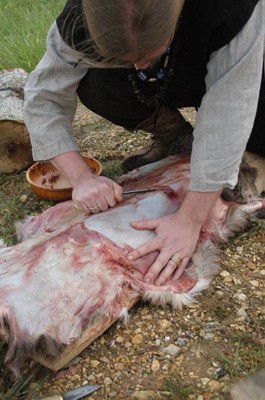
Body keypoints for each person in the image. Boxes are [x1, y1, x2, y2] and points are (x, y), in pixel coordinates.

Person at [24, 0, 265, 286]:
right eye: (129, 58)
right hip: (167, 71)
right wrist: (81, 177)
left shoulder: (231, 10)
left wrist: (189, 220)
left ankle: (251, 164)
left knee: (256, 135)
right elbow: (44, 97)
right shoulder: (81, 17)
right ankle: (176, 137)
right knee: (96, 81)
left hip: (250, 70)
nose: (139, 65)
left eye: (146, 52)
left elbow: (228, 113)